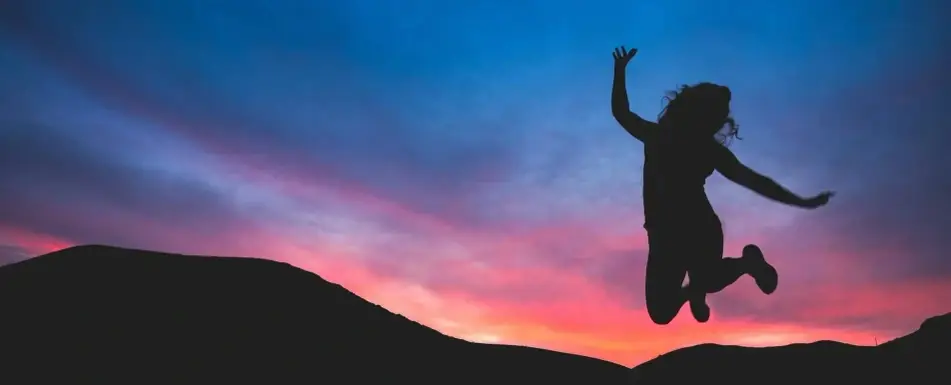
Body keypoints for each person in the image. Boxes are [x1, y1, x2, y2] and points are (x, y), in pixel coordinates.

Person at [610, 46, 835, 325]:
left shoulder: (691, 146)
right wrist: (619, 71)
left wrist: (801, 201)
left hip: (696, 227)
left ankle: (744, 265)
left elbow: (753, 180)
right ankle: (696, 290)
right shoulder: (666, 138)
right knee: (661, 312)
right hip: (663, 233)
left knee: (707, 277)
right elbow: (621, 113)